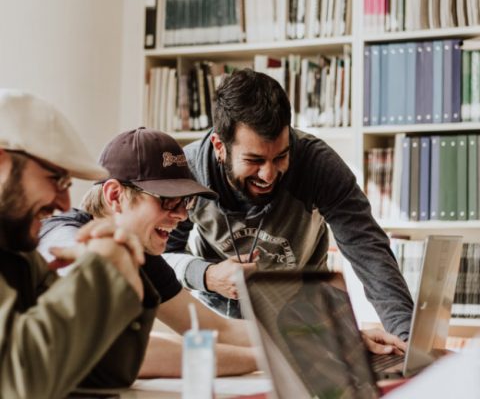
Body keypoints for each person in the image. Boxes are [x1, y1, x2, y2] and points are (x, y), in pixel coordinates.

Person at [164, 68, 414, 342]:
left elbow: (369, 252)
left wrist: (406, 340)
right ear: (219, 146)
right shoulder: (188, 172)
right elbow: (162, 257)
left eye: (281, 156)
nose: (268, 174)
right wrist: (207, 275)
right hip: (221, 328)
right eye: (254, 161)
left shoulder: (318, 165)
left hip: (305, 325)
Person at [39, 127, 259, 377]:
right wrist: (265, 359)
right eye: (168, 200)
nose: (182, 215)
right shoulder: (63, 237)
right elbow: (121, 350)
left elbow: (215, 329)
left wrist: (297, 338)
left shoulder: (141, 254)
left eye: (185, 202)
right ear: (115, 195)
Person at [0, 89, 158, 399]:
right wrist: (102, 271)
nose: (65, 203)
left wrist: (124, 268)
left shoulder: (18, 251)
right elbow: (18, 385)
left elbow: (99, 375)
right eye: (56, 180)